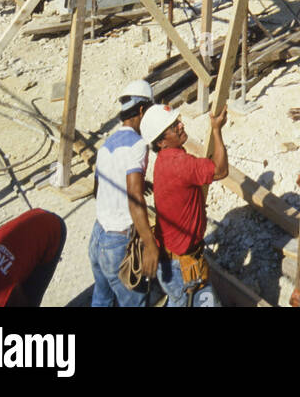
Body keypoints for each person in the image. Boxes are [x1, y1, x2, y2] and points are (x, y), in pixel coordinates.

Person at [140, 103, 228, 308]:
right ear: (161, 141)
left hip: (172, 261)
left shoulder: (166, 159)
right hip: (183, 267)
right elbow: (221, 170)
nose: (181, 125)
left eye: (177, 121)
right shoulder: (180, 164)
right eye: (173, 126)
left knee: (178, 301)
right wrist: (216, 130)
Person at [89, 80, 159, 308]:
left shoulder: (107, 144)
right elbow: (135, 199)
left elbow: (98, 190)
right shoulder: (138, 145)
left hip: (98, 237)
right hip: (118, 243)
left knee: (102, 298)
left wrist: (137, 182)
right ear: (142, 110)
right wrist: (149, 244)